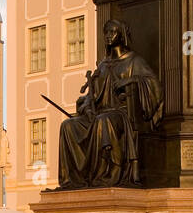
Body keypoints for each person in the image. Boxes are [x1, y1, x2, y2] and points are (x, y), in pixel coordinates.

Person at [57, 19, 163, 189]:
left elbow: (153, 84)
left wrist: (131, 79)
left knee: (103, 121)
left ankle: (109, 174)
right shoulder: (103, 65)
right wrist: (87, 107)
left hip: (122, 115)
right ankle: (74, 179)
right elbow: (93, 94)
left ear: (121, 35)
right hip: (99, 113)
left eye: (112, 32)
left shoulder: (133, 61)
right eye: (106, 32)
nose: (108, 36)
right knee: (68, 126)